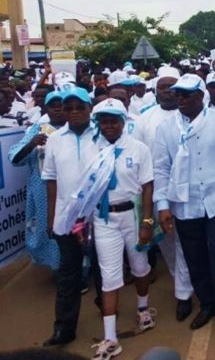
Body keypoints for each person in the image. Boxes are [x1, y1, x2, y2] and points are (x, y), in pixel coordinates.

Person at [153, 74, 215, 340]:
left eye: (186, 94)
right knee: (195, 258)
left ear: (200, 96)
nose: (179, 98)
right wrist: (163, 205)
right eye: (178, 93)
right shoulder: (166, 128)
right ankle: (208, 304)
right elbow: (161, 168)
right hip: (184, 202)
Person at [76, 98, 156, 359]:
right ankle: (110, 338)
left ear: (123, 122)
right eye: (104, 121)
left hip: (131, 216)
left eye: (114, 120)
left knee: (140, 267)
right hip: (103, 219)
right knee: (109, 275)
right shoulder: (91, 150)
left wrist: (147, 221)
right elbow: (85, 190)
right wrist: (81, 221)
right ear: (98, 123)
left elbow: (147, 186)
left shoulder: (139, 149)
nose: (109, 125)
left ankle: (143, 309)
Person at [133, 67, 194, 322]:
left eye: (172, 86)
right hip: (157, 191)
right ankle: (183, 284)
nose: (167, 91)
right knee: (168, 242)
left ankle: (184, 293)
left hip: (190, 190)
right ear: (155, 90)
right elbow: (136, 156)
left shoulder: (192, 116)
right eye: (162, 87)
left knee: (186, 242)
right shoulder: (143, 120)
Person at [41, 86, 95, 346]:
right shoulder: (55, 139)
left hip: (99, 217)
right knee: (68, 274)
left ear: (89, 108)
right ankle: (64, 327)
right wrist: (52, 217)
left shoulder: (102, 135)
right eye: (68, 108)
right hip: (66, 217)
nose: (73, 112)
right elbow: (51, 180)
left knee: (104, 271)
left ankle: (108, 316)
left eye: (79, 107)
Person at [9, 91, 65, 271]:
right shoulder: (37, 129)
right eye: (52, 105)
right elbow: (14, 158)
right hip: (42, 189)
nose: (57, 108)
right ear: (46, 108)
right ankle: (58, 268)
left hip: (70, 188)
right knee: (47, 229)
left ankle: (79, 269)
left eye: (61, 104)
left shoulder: (75, 128)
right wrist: (32, 143)